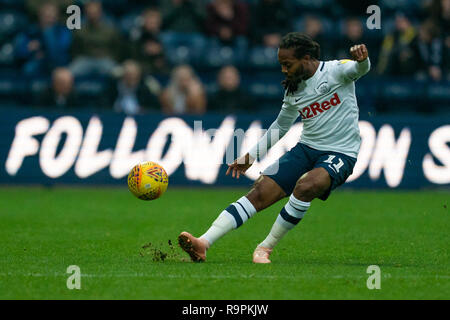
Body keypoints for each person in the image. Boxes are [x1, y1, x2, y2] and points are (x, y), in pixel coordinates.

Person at [178, 32, 371, 263]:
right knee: (259, 192)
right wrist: (251, 156)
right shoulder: (294, 89)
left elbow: (360, 70)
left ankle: (265, 247)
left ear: (306, 58)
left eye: (287, 64)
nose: (283, 70)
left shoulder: (337, 70)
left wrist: (362, 59)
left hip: (341, 152)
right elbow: (280, 126)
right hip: (306, 149)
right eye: (281, 64)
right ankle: (203, 243)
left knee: (308, 185)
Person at [15, 2, 72, 76]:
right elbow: (19, 52)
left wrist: (47, 32)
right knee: (28, 69)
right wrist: (29, 49)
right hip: (37, 63)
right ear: (40, 16)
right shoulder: (31, 31)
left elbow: (59, 53)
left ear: (57, 17)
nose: (49, 19)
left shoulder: (63, 31)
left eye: (52, 16)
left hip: (58, 65)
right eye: (46, 16)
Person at [69, 1, 122, 76]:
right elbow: (75, 48)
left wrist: (111, 58)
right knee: (67, 75)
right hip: (85, 59)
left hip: (105, 59)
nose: (92, 15)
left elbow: (117, 47)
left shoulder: (110, 29)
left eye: (94, 12)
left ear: (100, 12)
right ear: (86, 13)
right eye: (90, 13)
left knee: (118, 74)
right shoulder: (79, 30)